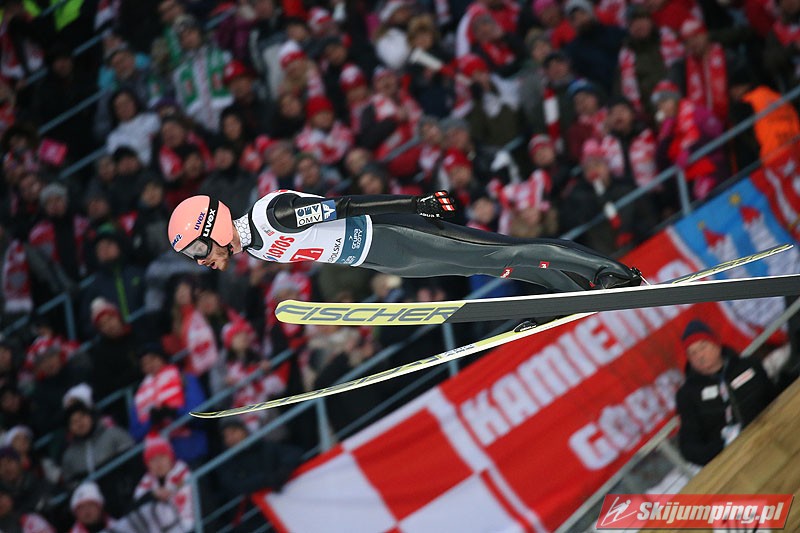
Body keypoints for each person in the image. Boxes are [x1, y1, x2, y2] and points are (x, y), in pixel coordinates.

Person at [167, 190, 642, 299]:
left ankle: (611, 272)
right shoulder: (254, 248)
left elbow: (346, 205)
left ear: (213, 227)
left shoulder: (272, 216)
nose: (201, 262)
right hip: (386, 260)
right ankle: (566, 292)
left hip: (394, 231)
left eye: (198, 250)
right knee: (487, 267)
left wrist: (415, 204)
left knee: (503, 251)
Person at [675, 319, 778, 466]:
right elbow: (689, 447)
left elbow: (775, 396)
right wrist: (721, 448)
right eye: (693, 353)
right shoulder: (687, 395)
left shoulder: (748, 365)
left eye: (703, 347)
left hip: (772, 434)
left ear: (716, 344)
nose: (700, 356)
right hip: (734, 463)